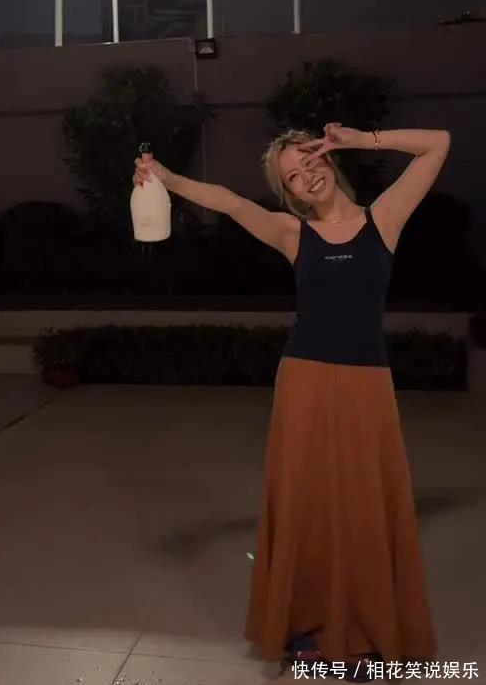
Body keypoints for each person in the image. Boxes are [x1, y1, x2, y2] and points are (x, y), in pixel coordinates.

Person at [133, 124, 451, 678]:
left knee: (365, 507)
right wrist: (166, 177)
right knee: (306, 507)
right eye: (293, 179)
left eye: (311, 162)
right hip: (304, 381)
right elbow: (229, 202)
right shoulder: (291, 234)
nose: (308, 177)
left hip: (367, 386)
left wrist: (360, 139)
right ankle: (305, 627)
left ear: (328, 158)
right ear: (290, 196)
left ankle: (366, 628)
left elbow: (438, 143)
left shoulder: (383, 219)